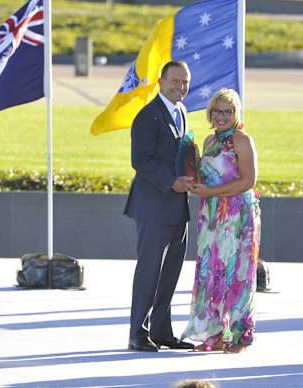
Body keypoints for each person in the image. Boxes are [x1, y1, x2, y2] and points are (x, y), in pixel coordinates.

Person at [182, 88, 261, 353]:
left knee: (236, 272)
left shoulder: (242, 140)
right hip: (212, 216)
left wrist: (210, 192)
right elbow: (207, 179)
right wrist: (192, 175)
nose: (220, 116)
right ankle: (213, 335)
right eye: (216, 111)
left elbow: (247, 182)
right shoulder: (208, 142)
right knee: (211, 271)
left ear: (235, 113)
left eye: (227, 111)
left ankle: (240, 336)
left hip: (238, 215)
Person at [125, 60, 195, 352]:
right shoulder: (148, 116)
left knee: (170, 273)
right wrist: (171, 182)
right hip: (154, 206)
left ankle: (162, 331)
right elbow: (140, 161)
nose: (180, 87)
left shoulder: (181, 112)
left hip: (178, 207)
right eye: (175, 81)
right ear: (161, 82)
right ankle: (138, 334)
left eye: (185, 82)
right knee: (149, 272)